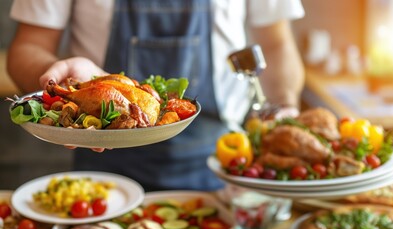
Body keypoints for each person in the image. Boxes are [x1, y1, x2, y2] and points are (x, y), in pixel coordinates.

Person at [7, 0, 305, 192]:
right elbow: (26, 47)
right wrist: (55, 73)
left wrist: (286, 105)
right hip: (102, 164)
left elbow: (277, 44)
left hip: (222, 164)